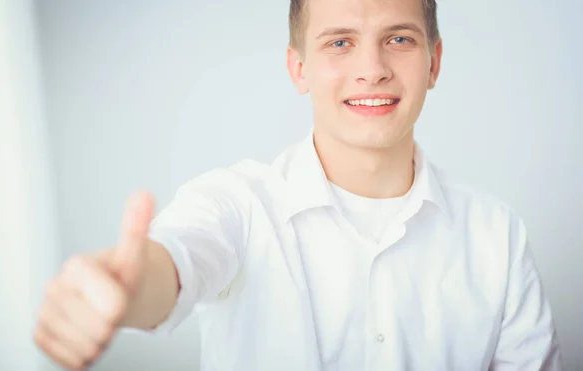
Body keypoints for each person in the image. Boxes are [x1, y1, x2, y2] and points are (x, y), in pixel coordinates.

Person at [33, 0, 563, 370]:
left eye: (398, 39)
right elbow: (176, 262)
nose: (371, 68)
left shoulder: (498, 233)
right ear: (299, 68)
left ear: (434, 62)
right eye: (340, 42)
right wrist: (126, 293)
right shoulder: (237, 205)